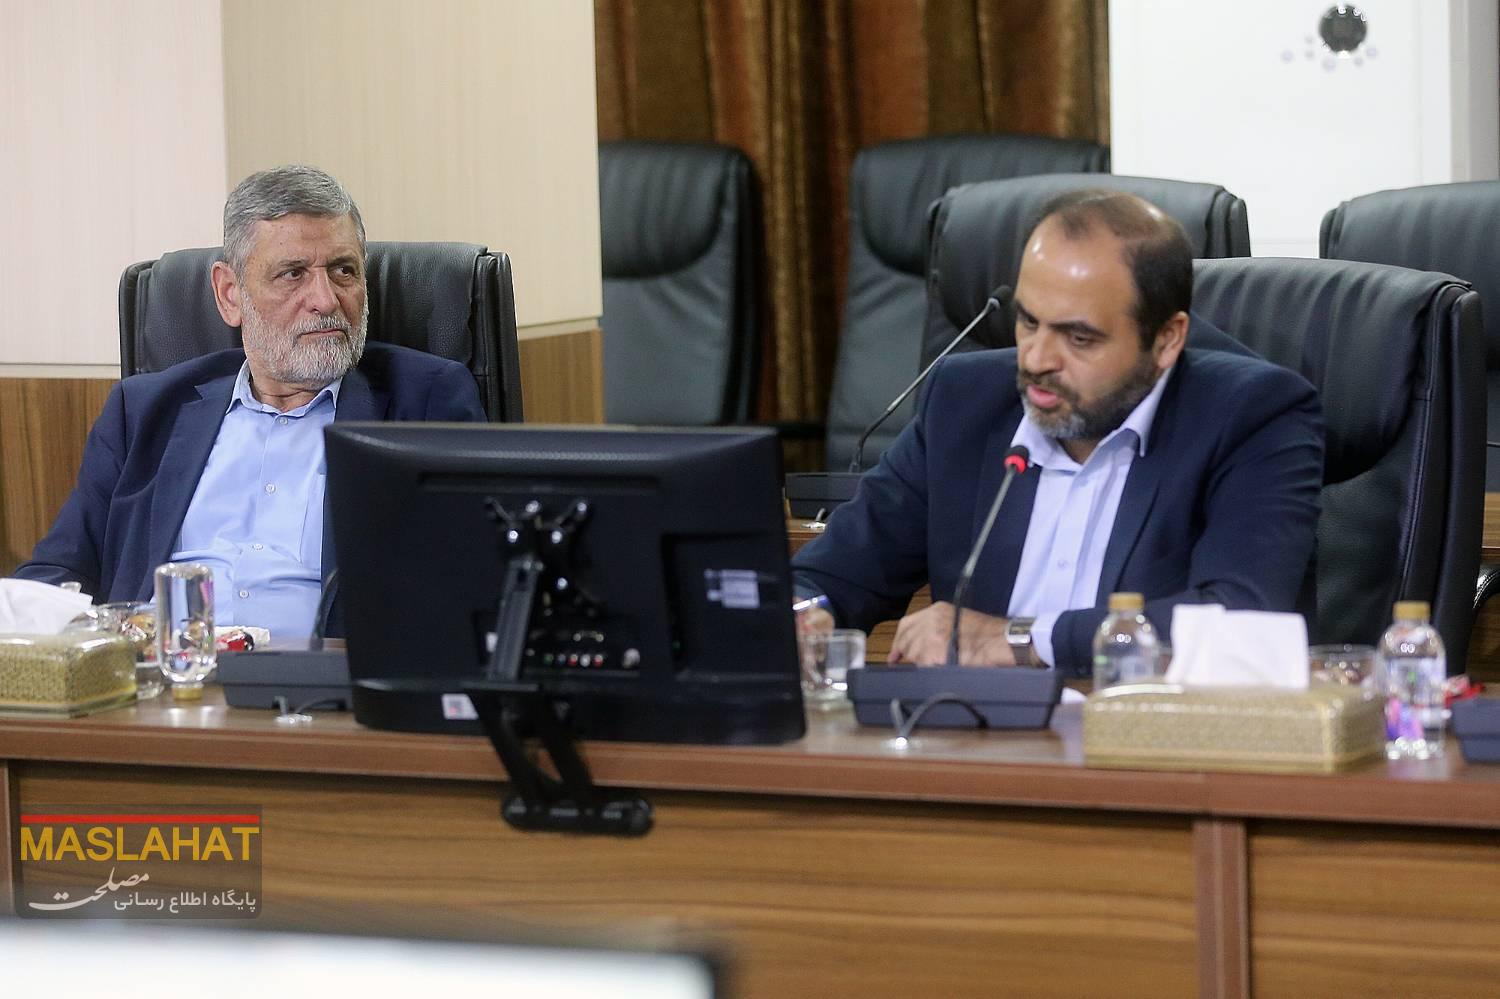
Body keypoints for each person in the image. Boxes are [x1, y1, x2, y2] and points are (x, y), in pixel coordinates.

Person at [792, 189, 1324, 675]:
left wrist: (1019, 640)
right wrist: (802, 614)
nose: (1037, 359)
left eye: (1079, 338)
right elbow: (835, 573)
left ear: (1166, 339)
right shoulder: (963, 404)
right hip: (971, 735)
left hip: (1150, 739)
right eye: (1029, 322)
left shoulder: (1252, 417)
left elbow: (1238, 621)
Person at [15, 165, 487, 639]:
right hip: (157, 672)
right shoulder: (142, 412)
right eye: (292, 274)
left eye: (343, 270)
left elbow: (474, 582)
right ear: (230, 294)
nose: (325, 300)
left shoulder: (426, 400)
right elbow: (55, 576)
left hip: (322, 678)